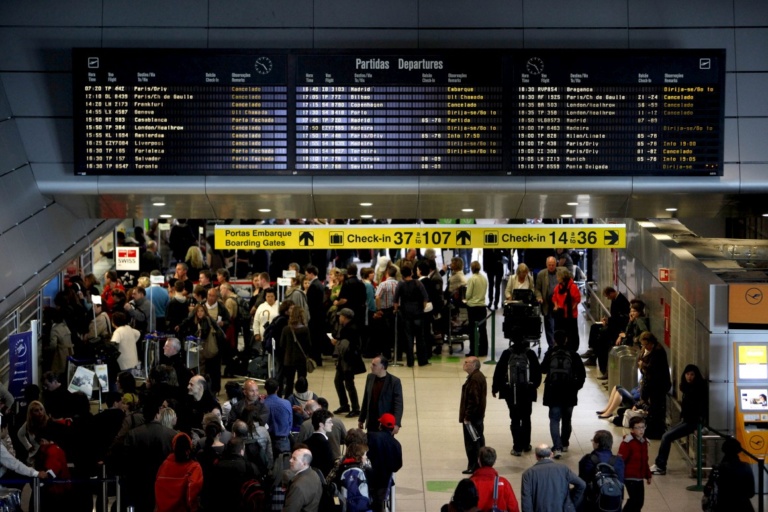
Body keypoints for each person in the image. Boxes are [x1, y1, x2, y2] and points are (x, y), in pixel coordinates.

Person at [651, 364, 707, 475]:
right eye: (687, 374)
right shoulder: (686, 387)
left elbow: (702, 409)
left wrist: (699, 425)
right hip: (687, 420)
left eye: (692, 374)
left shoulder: (698, 389)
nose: (689, 377)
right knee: (666, 435)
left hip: (693, 423)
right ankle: (659, 464)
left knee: (666, 436)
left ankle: (661, 466)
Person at [492, 334, 542, 456]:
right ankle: (526, 444)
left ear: (511, 340)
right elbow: (537, 372)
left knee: (514, 418)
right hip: (527, 391)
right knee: (526, 418)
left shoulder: (506, 354)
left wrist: (496, 388)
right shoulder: (530, 354)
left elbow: (499, 371)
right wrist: (534, 386)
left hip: (511, 391)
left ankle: (517, 447)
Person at [541, 330, 586, 458]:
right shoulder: (573, 354)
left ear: (554, 340)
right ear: (566, 340)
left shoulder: (550, 353)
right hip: (569, 392)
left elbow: (543, 369)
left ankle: (557, 447)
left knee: (554, 419)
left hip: (553, 392)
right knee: (567, 419)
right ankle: (565, 443)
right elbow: (582, 374)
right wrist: (576, 387)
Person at [521, 444, 585, 512]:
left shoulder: (528, 474)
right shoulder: (563, 469)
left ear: (536, 456)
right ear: (551, 454)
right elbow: (582, 484)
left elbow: (526, 500)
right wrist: (570, 502)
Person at [154, 432, 203, 512]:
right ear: (189, 449)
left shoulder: (164, 465)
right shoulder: (194, 467)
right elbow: (191, 494)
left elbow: (157, 487)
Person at [578, 430, 625, 512]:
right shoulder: (618, 461)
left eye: (593, 441)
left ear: (597, 444)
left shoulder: (588, 459)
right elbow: (621, 481)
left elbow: (582, 480)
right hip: (614, 502)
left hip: (592, 502)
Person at [636, 332, 671, 439]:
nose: (645, 347)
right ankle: (652, 430)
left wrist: (643, 365)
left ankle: (657, 431)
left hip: (659, 385)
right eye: (643, 345)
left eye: (646, 344)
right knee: (652, 409)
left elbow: (654, 369)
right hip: (651, 383)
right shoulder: (647, 350)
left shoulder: (658, 351)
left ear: (651, 342)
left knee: (657, 409)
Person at [393, 265, 429, 366]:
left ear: (402, 274)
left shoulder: (400, 285)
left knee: (408, 338)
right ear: (411, 273)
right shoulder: (418, 283)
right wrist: (422, 308)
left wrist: (396, 310)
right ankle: (422, 361)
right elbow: (425, 298)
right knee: (420, 338)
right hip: (418, 313)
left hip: (406, 314)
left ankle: (410, 361)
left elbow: (395, 300)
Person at [366, 413, 402, 512]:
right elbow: (397, 466)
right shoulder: (396, 444)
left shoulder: (371, 436)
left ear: (380, 425)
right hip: (384, 482)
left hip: (368, 479)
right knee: (379, 506)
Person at [358, 356, 404, 434]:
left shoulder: (394, 382)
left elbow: (398, 405)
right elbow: (366, 399)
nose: (371, 366)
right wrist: (361, 418)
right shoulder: (370, 377)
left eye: (374, 365)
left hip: (385, 423)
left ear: (382, 367)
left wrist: (396, 424)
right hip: (372, 421)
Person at [331, 308, 362, 417]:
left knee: (349, 384)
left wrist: (336, 343)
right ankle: (344, 404)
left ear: (345, 317)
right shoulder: (350, 327)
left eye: (340, 316)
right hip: (344, 360)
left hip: (348, 361)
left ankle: (356, 408)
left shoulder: (349, 329)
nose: (339, 318)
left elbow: (346, 345)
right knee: (338, 381)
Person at [470, 446, 520, 512]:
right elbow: (513, 507)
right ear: (494, 461)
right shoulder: (503, 483)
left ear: (479, 461)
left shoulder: (470, 483)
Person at [617, 416, 651, 512]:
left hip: (639, 477)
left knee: (639, 502)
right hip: (630, 477)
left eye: (643, 427)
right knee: (635, 500)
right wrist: (619, 477)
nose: (641, 430)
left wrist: (648, 474)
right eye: (638, 427)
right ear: (632, 429)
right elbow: (620, 461)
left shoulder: (644, 441)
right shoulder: (627, 443)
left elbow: (645, 460)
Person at [595, 286, 630, 376]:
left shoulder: (621, 301)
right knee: (595, 328)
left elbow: (621, 318)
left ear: (612, 293)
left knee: (601, 338)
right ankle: (593, 351)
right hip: (614, 326)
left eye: (608, 296)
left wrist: (608, 321)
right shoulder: (616, 300)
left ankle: (605, 370)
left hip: (617, 329)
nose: (608, 298)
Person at [460, 356, 486, 475]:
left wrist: (467, 416)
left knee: (472, 443)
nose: (464, 364)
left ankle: (473, 466)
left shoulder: (474, 379)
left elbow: (473, 400)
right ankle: (481, 463)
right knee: (478, 440)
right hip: (477, 416)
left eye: (467, 362)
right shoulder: (477, 376)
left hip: (472, 418)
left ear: (474, 365)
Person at [279, 306, 312, 398]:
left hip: (289, 359)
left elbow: (282, 344)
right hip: (301, 359)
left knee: (289, 383)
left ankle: (288, 399)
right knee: (302, 380)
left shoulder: (286, 329)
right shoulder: (305, 329)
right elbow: (309, 345)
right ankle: (302, 398)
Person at [713, 438, 754, 511]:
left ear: (724, 450)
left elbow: (708, 490)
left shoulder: (718, 468)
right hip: (744, 506)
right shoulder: (746, 467)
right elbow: (751, 493)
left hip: (723, 506)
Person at [283, 448, 322, 512]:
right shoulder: (314, 474)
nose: (290, 460)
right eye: (291, 457)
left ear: (304, 463)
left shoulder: (297, 486)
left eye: (294, 459)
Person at [551, 268, 580, 353]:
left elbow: (577, 299)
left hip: (571, 315)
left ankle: (572, 348)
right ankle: (560, 345)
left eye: (558, 277)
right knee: (560, 331)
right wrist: (556, 306)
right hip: (560, 314)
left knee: (571, 333)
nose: (557, 278)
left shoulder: (572, 287)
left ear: (563, 277)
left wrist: (572, 308)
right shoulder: (558, 287)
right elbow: (554, 298)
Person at [263, 378, 293, 457]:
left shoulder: (262, 404)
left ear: (265, 388)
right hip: (284, 441)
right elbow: (290, 422)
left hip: (267, 440)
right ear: (278, 388)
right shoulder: (286, 403)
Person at [464, 261, 489, 357]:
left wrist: (466, 298)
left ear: (471, 268)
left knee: (472, 330)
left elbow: (468, 294)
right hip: (482, 306)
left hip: (473, 307)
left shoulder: (471, 279)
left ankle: (473, 350)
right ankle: (484, 350)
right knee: (483, 330)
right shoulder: (484, 278)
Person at [534, 257, 559, 350]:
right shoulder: (541, 274)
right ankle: (551, 346)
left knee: (558, 325)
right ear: (546, 265)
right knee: (549, 326)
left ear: (556, 264)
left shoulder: (559, 272)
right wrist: (539, 297)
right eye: (549, 265)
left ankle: (558, 345)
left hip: (559, 304)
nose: (551, 267)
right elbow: (537, 289)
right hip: (547, 304)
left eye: (553, 265)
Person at [304, 408, 335, 477]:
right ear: (321, 424)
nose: (332, 424)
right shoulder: (325, 443)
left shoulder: (306, 442)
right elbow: (329, 466)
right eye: (329, 422)